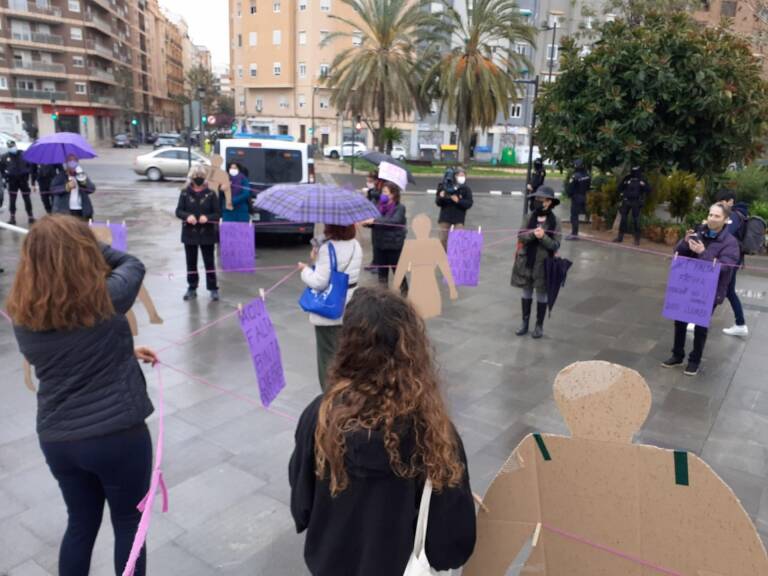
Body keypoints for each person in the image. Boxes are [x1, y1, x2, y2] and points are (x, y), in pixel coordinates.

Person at [6, 215, 157, 576]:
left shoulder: (22, 313)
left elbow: (69, 351)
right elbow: (131, 263)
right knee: (129, 524)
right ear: (83, 254)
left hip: (59, 438)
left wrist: (123, 350)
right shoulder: (105, 297)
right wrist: (88, 242)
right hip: (117, 435)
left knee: (80, 523)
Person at [289, 287, 476, 576]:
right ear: (412, 350)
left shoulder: (319, 416)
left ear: (346, 345)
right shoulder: (434, 433)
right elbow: (450, 545)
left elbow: (301, 508)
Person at [662, 203, 740, 376]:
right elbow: (679, 252)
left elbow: (725, 267)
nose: (712, 218)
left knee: (700, 325)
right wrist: (685, 241)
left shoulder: (730, 242)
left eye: (717, 216)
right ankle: (677, 354)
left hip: (709, 290)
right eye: (710, 214)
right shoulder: (699, 232)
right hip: (688, 285)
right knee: (680, 319)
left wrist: (704, 252)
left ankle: (694, 360)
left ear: (726, 220)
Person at [299, 223, 363, 390]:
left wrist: (305, 270)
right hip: (351, 305)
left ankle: (329, 395)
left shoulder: (328, 248)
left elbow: (319, 282)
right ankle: (347, 389)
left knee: (327, 357)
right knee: (346, 353)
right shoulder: (356, 245)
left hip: (329, 309)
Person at [511, 186, 562, 339]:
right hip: (527, 261)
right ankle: (524, 323)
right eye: (537, 199)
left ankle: (539, 325)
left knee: (541, 294)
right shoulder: (528, 217)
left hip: (544, 264)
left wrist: (543, 237)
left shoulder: (555, 221)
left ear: (549, 202)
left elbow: (556, 244)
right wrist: (533, 234)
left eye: (542, 200)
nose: (538, 202)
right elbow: (521, 236)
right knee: (526, 291)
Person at [175, 165, 221, 301]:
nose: (198, 179)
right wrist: (187, 216)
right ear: (191, 178)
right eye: (196, 176)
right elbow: (178, 211)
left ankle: (213, 288)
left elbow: (218, 213)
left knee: (209, 262)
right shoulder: (184, 193)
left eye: (201, 176)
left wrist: (208, 218)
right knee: (191, 262)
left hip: (207, 233)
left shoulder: (211, 193)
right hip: (190, 234)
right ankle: (192, 287)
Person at [363, 181, 408, 294]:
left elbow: (394, 221)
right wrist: (368, 223)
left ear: (392, 194)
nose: (382, 194)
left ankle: (405, 292)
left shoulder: (399, 208)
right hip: (379, 245)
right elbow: (375, 221)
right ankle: (383, 296)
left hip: (393, 245)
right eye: (382, 191)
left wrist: (375, 221)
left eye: (385, 192)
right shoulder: (379, 206)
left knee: (397, 271)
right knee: (382, 273)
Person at [717, 190, 749, 338]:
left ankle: (697, 319)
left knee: (720, 288)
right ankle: (740, 324)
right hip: (734, 258)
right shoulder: (740, 214)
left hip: (730, 258)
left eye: (723, 201)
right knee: (728, 290)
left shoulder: (734, 216)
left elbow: (726, 233)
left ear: (730, 201)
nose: (721, 204)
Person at [1, 140, 37, 224]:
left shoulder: (24, 154)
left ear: (15, 146)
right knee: (12, 200)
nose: (11, 148)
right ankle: (12, 218)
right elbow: (1, 168)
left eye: (12, 146)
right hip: (12, 181)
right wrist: (5, 177)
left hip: (23, 180)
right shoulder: (4, 157)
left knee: (27, 199)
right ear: (8, 147)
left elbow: (31, 166)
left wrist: (27, 172)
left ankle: (30, 217)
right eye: (9, 147)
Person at [436, 167, 473, 249]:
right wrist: (441, 197)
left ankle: (455, 259)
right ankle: (444, 258)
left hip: (459, 218)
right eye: (459, 175)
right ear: (454, 176)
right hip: (445, 217)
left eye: (463, 175)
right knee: (442, 240)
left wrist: (458, 201)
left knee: (458, 240)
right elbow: (438, 203)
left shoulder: (466, 189)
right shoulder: (444, 186)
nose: (462, 177)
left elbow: (469, 204)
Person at [51, 155, 96, 219]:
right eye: (70, 161)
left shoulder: (81, 175)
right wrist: (67, 187)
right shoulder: (60, 176)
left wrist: (82, 178)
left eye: (75, 160)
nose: (72, 163)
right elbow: (53, 190)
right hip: (65, 211)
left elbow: (91, 189)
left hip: (81, 210)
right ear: (66, 163)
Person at [614, 166, 650, 246]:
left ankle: (637, 239)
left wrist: (644, 186)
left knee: (636, 221)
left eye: (636, 171)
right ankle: (620, 237)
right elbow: (619, 187)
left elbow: (648, 190)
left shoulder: (642, 179)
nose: (634, 173)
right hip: (626, 201)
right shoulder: (627, 178)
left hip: (636, 202)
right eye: (633, 171)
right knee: (623, 219)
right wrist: (621, 193)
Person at [565, 159, 591, 240]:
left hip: (576, 197)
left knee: (574, 216)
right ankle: (575, 233)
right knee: (580, 214)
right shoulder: (587, 175)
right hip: (584, 196)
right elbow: (588, 186)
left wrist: (569, 194)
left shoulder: (575, 176)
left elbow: (570, 188)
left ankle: (574, 234)